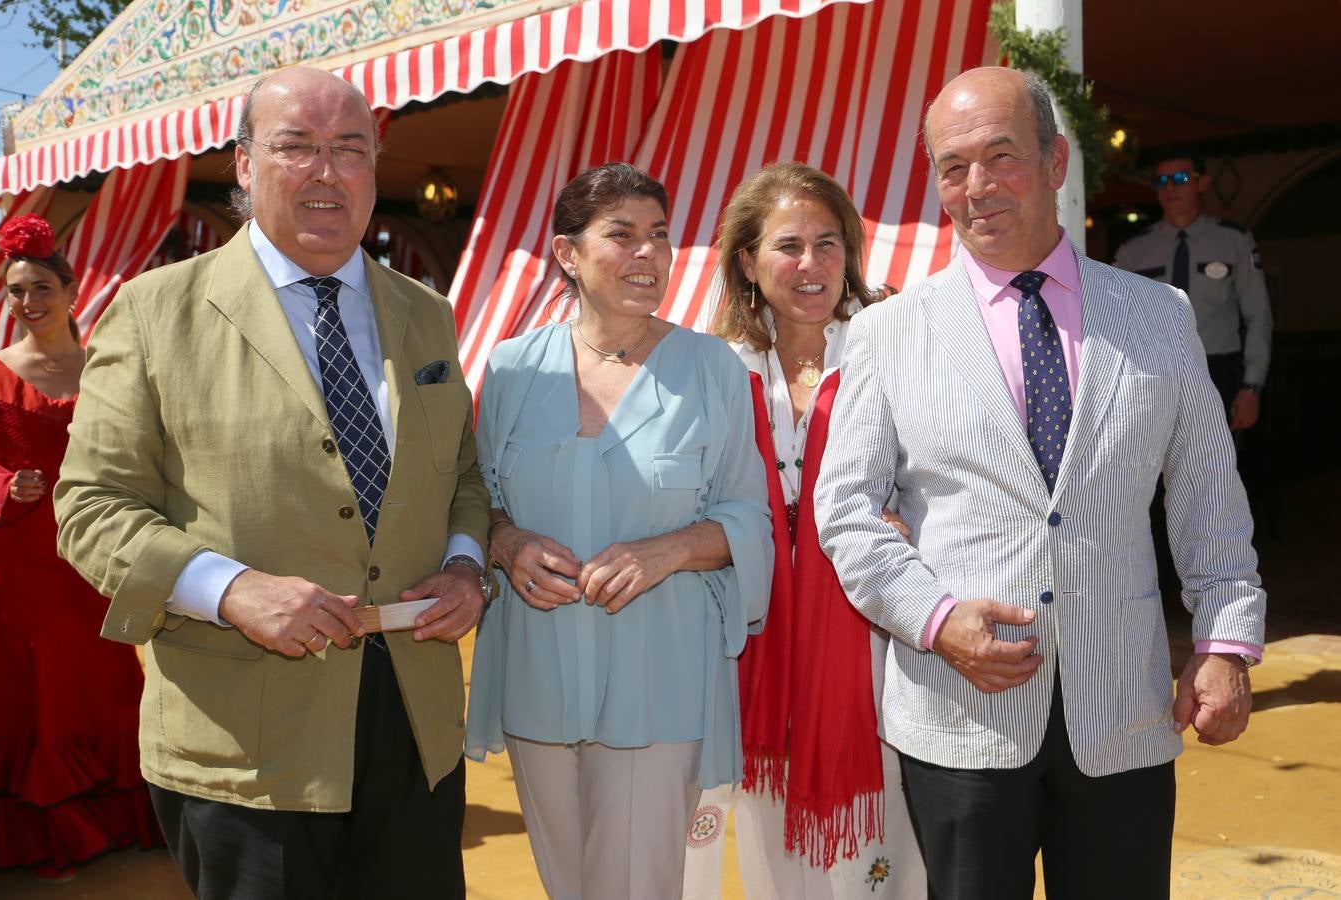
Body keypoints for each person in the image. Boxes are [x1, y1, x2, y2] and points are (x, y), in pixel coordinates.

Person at [813, 67, 1267, 900]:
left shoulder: (1157, 316)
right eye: (953, 166)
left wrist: (1225, 642)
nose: (976, 186)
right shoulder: (887, 333)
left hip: (1122, 709)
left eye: (1001, 155)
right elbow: (843, 512)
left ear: (1057, 162)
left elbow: (1207, 491)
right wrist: (937, 619)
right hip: (960, 716)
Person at [54, 67, 489, 899]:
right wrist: (231, 590)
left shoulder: (426, 312)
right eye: (296, 146)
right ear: (245, 166)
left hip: (415, 727)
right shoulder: (153, 312)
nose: (326, 171)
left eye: (350, 149)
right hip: (246, 743)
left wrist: (467, 564)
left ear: (374, 169)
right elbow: (90, 509)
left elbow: (463, 472)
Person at [466, 162, 773, 900]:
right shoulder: (511, 370)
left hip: (658, 676)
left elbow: (747, 518)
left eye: (660, 236)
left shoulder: (714, 370)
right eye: (623, 235)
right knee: (566, 885)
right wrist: (506, 544)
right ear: (568, 254)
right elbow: (473, 497)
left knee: (635, 888)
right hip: (536, 670)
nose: (647, 254)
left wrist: (664, 552)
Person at [683, 161, 925, 900]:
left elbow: (952, 475)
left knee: (885, 863)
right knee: (775, 861)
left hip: (879, 655)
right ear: (749, 262)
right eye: (789, 246)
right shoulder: (718, 371)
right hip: (758, 660)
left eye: (828, 243)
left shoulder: (895, 350)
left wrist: (908, 520)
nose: (812, 264)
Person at [0, 214, 163, 883]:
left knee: (105, 684)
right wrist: (5, 484)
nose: (28, 302)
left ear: (70, 290)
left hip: (94, 559)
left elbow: (146, 449)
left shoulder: (107, 368)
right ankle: (43, 836)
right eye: (15, 290)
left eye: (40, 287)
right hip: (15, 562)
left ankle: (120, 819)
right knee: (33, 695)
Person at [1113, 153, 1272, 431]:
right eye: (1162, 181)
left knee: (1214, 468)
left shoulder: (1233, 241)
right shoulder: (1133, 251)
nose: (1170, 188)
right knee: (1153, 471)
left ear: (1202, 184)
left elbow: (1259, 315)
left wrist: (1252, 386)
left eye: (1181, 179)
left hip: (1216, 372)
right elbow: (1115, 320)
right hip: (1153, 374)